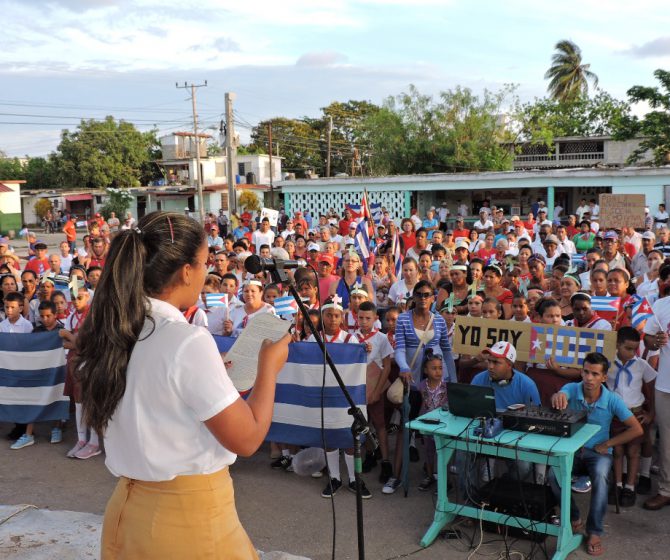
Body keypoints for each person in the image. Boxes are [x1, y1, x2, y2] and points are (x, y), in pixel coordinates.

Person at [74, 211, 290, 559]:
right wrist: (269, 368)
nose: (207, 273)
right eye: (205, 264)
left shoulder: (115, 328)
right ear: (187, 270)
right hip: (186, 522)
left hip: (128, 514)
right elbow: (248, 439)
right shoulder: (186, 341)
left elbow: (154, 393)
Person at [549, 352, 643, 557]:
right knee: (553, 475)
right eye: (585, 372)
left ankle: (594, 532)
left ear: (603, 377)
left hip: (597, 453)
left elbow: (636, 429)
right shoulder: (573, 389)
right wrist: (558, 396)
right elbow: (561, 394)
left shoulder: (612, 400)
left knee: (601, 477)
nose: (588, 378)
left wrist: (608, 443)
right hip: (572, 450)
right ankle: (574, 518)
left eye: (594, 374)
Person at [606, 327, 657, 508]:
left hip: (635, 414)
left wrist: (651, 413)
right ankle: (617, 485)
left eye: (635, 349)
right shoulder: (608, 362)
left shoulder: (641, 365)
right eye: (628, 348)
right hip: (615, 415)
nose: (632, 353)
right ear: (617, 345)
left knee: (633, 452)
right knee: (617, 451)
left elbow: (652, 389)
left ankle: (630, 487)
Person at [416, 350, 448, 491]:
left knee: (442, 452)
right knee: (428, 451)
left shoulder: (446, 387)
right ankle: (429, 475)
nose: (438, 371)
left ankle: (444, 480)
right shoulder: (422, 385)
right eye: (434, 368)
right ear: (425, 370)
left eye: (440, 368)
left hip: (442, 426)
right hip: (427, 424)